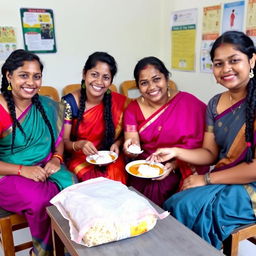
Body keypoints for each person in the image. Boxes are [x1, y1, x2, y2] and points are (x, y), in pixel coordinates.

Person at [149, 31, 256, 249]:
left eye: (234, 60)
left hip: (251, 186)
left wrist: (206, 179)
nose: (226, 69)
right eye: (218, 63)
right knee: (176, 203)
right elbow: (210, 153)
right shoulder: (215, 104)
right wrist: (176, 152)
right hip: (228, 177)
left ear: (252, 59)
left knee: (192, 209)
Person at [0, 49, 75, 256]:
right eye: (24, 75)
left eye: (37, 76)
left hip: (44, 166)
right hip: (6, 173)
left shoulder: (46, 105)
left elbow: (57, 140)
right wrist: (22, 169)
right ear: (8, 76)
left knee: (72, 187)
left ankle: (69, 248)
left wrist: (57, 159)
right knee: (40, 200)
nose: (31, 82)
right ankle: (43, 252)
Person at [123, 56, 207, 206]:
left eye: (156, 79)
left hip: (182, 164)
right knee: (137, 192)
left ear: (166, 78)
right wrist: (130, 147)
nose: (152, 87)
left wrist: (175, 164)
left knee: (164, 189)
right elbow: (132, 138)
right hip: (147, 165)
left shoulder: (188, 102)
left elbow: (204, 144)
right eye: (144, 83)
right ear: (138, 86)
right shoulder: (132, 109)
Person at [62, 51, 130, 184]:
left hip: (110, 157)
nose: (99, 82)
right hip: (80, 157)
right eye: (94, 74)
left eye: (106, 77)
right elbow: (64, 142)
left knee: (115, 178)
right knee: (92, 182)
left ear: (111, 80)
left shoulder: (121, 103)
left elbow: (128, 134)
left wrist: (117, 143)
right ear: (84, 74)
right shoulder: (69, 103)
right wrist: (80, 144)